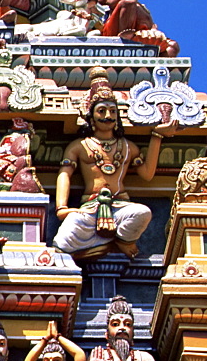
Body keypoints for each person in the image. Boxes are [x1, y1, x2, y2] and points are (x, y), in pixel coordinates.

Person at [53, 67, 177, 258]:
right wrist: (62, 207)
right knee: (62, 241)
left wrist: (157, 136)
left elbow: (147, 174)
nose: (107, 116)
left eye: (112, 111)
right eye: (101, 111)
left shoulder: (127, 147)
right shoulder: (79, 146)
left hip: (121, 207)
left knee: (142, 212)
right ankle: (96, 246)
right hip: (89, 209)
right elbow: (65, 174)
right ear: (91, 117)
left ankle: (121, 241)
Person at [99, 0, 179, 57]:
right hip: (115, 33)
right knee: (128, 1)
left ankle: (158, 67)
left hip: (140, 36)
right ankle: (125, 38)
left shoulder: (141, 6)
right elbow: (111, 2)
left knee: (173, 46)